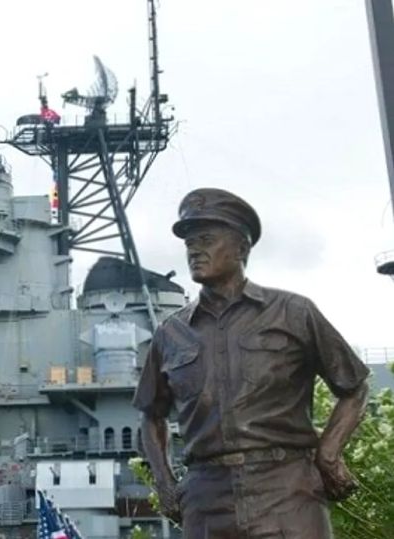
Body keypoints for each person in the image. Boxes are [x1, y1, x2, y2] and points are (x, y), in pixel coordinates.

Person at [133, 188, 369, 538]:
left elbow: (354, 387)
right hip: (206, 501)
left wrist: (329, 454)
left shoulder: (293, 312)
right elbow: (151, 415)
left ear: (242, 248)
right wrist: (166, 484)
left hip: (288, 493)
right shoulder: (171, 332)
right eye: (189, 243)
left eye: (207, 239)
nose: (194, 250)